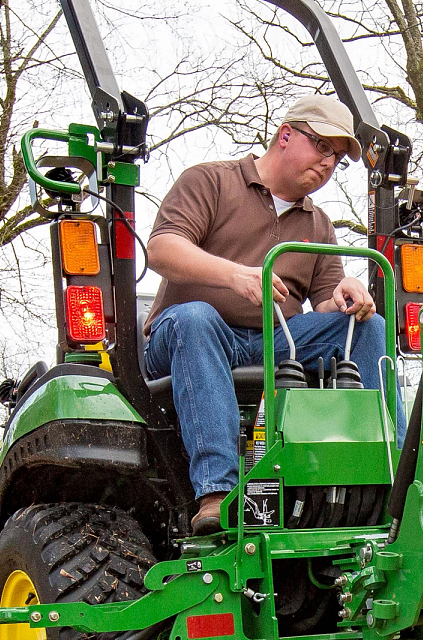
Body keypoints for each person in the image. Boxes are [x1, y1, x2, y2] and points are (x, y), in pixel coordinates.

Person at [144, 94, 401, 534]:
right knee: (196, 318)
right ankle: (217, 495)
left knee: (368, 327)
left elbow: (324, 302)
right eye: (322, 146)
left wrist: (348, 295)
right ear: (286, 134)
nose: (328, 163)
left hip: (272, 340)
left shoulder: (318, 224)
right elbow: (162, 249)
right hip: (187, 336)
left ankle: (392, 477)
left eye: (337, 158)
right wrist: (235, 277)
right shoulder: (211, 182)